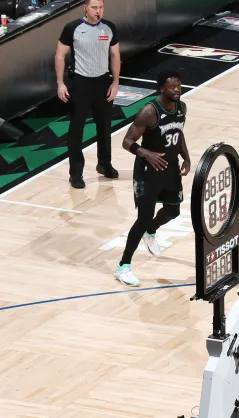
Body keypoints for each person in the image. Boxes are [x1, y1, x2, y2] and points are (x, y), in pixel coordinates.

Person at [115, 70, 190, 287]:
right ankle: (123, 266)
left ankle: (151, 231)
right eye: (171, 86)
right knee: (143, 218)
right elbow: (127, 141)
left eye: (179, 86)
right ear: (161, 88)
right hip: (148, 171)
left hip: (170, 168)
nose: (176, 90)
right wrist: (146, 153)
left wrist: (185, 155)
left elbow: (178, 133)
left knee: (173, 210)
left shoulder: (182, 107)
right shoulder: (149, 112)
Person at [55, 0, 121, 189]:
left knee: (105, 126)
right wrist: (60, 83)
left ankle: (104, 164)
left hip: (103, 82)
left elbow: (115, 55)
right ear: (85, 8)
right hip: (80, 83)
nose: (98, 11)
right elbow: (60, 55)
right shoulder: (73, 28)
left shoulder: (109, 28)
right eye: (94, 7)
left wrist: (115, 82)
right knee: (77, 129)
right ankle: (76, 173)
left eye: (101, 7)